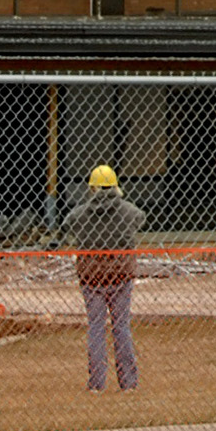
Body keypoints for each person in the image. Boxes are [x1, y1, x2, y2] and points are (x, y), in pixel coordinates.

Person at [59, 164, 145, 393]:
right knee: (121, 328)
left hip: (92, 279)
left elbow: (67, 223)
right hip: (121, 277)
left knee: (96, 328)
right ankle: (128, 383)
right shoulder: (129, 213)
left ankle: (97, 384)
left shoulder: (80, 215)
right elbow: (140, 218)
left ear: (92, 188)